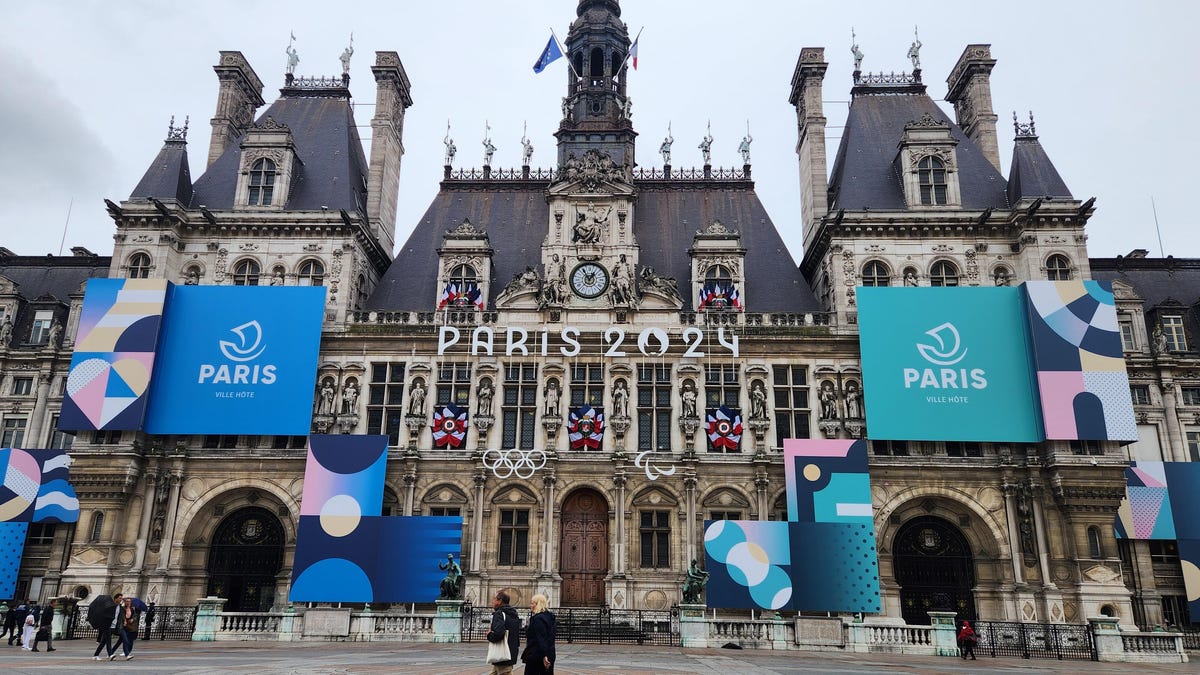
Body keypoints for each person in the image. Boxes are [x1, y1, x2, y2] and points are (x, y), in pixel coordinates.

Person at [486, 591, 521, 675]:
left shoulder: (499, 614)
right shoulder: (514, 614)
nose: (492, 602)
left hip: (502, 654)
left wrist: (489, 635)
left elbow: (499, 633)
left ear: (500, 601)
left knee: (504, 672)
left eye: (494, 599)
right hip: (510, 653)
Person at [523, 593, 556, 674]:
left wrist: (544, 656)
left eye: (532, 603)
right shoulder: (549, 617)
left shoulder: (538, 619)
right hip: (549, 652)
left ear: (538, 604)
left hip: (537, 655)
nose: (530, 605)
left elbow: (541, 639)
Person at [93, 593, 122, 661]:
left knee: (103, 642)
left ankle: (95, 655)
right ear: (116, 598)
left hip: (114, 626)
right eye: (120, 598)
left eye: (121, 598)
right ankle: (110, 654)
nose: (121, 599)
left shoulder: (119, 607)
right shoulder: (110, 606)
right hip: (107, 625)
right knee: (108, 640)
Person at [112, 595, 139, 661]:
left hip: (129, 627)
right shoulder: (122, 608)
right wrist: (124, 620)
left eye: (129, 601)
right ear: (124, 602)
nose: (128, 602)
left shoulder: (132, 609)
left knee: (120, 642)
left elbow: (135, 616)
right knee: (125, 640)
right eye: (127, 601)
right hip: (122, 627)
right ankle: (127, 654)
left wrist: (132, 619)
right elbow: (120, 616)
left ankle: (111, 652)